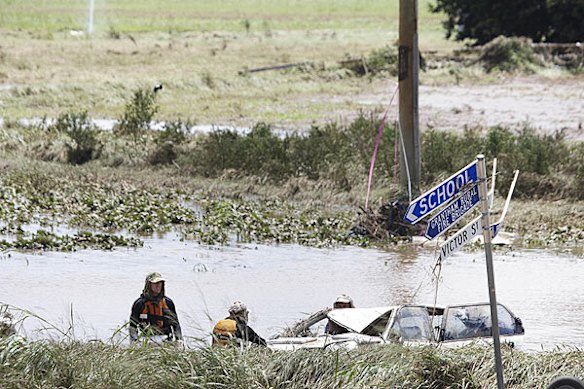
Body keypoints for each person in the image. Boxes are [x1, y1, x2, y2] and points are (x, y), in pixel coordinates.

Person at [129, 272, 182, 343]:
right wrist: (134, 341)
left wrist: (179, 340)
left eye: (160, 283)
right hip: (145, 340)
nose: (158, 286)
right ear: (148, 285)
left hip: (166, 339)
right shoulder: (139, 304)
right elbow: (132, 326)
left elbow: (176, 325)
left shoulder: (168, 303)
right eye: (155, 283)